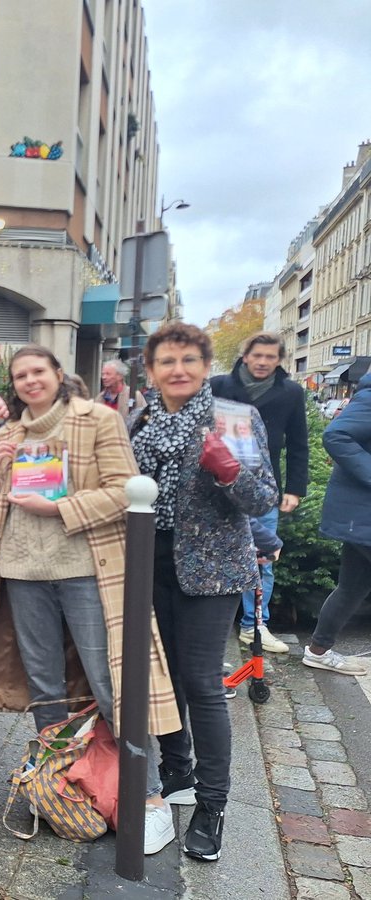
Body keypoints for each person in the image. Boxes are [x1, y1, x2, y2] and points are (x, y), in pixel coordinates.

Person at [0, 344, 182, 855]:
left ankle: (149, 794)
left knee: (111, 681)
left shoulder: (97, 420)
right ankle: (57, 778)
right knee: (45, 684)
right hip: (22, 572)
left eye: (38, 371)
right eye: (21, 375)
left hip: (84, 569)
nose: (30, 381)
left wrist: (59, 510)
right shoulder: (9, 433)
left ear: (57, 374)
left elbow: (128, 490)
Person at [129, 323, 277, 862]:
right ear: (151, 370)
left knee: (201, 681)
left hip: (210, 570)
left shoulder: (234, 419)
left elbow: (262, 498)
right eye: (167, 361)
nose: (178, 370)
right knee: (161, 677)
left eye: (189, 359)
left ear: (204, 364)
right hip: (149, 565)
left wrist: (228, 471)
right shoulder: (141, 421)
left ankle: (212, 805)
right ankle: (177, 770)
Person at [210, 331, 309, 654]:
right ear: (246, 355)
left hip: (264, 488)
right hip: (217, 484)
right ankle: (214, 625)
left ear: (279, 360)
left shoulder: (291, 393)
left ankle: (255, 624)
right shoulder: (220, 386)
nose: (263, 362)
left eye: (270, 357)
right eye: (258, 355)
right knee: (213, 554)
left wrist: (294, 489)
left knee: (263, 558)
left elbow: (298, 443)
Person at [302, 371, 371, 676]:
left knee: (352, 587)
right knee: (351, 587)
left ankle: (318, 650)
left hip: (361, 516)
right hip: (363, 512)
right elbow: (336, 435)